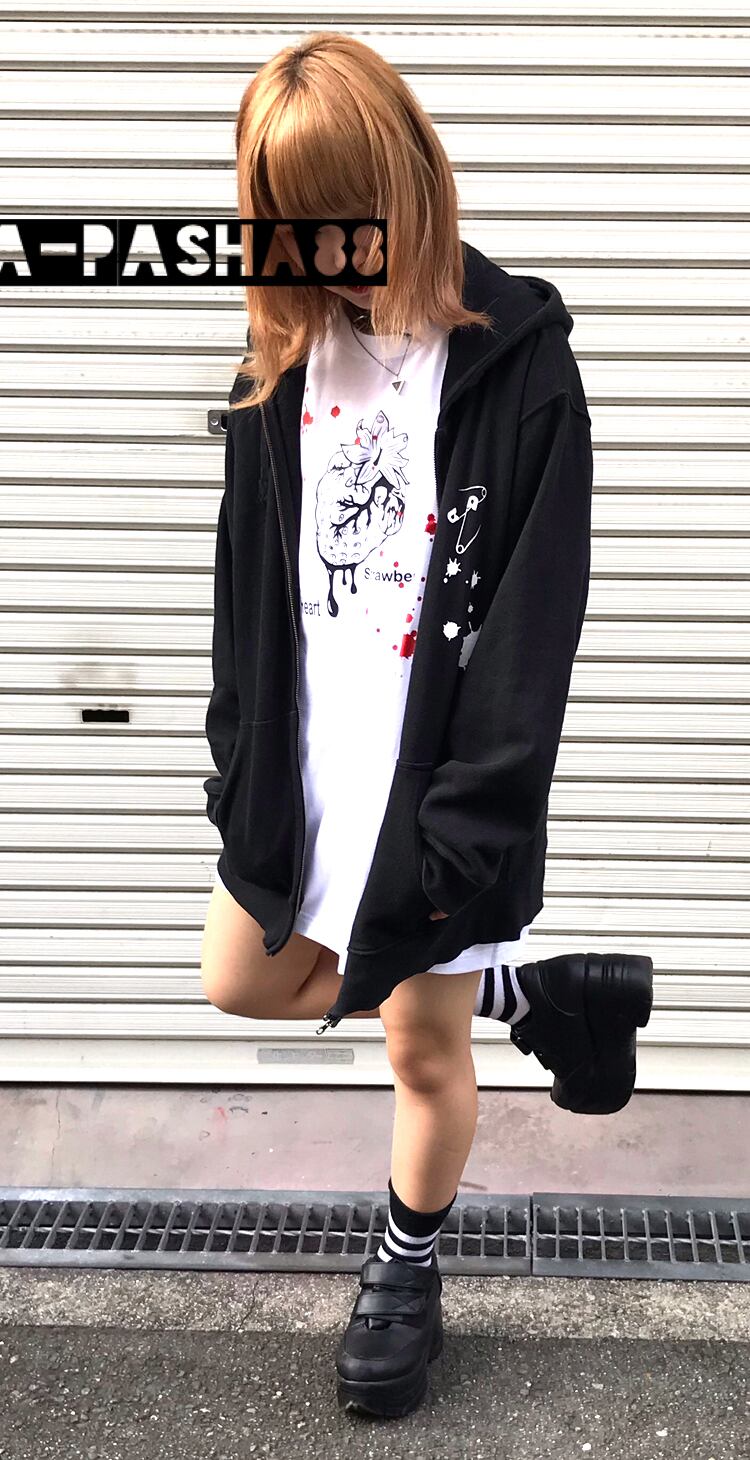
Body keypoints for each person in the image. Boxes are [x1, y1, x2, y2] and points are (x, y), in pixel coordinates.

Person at [200, 31, 653, 1420]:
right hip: (305, 777)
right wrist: (237, 760)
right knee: (239, 980)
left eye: (352, 211)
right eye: (298, 224)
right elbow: (242, 586)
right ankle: (541, 994)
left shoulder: (521, 365)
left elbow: (531, 630)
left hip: (436, 788)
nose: (336, 252)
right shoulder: (283, 357)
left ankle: (404, 1269)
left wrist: (468, 833)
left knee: (419, 1049)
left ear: (409, 176)